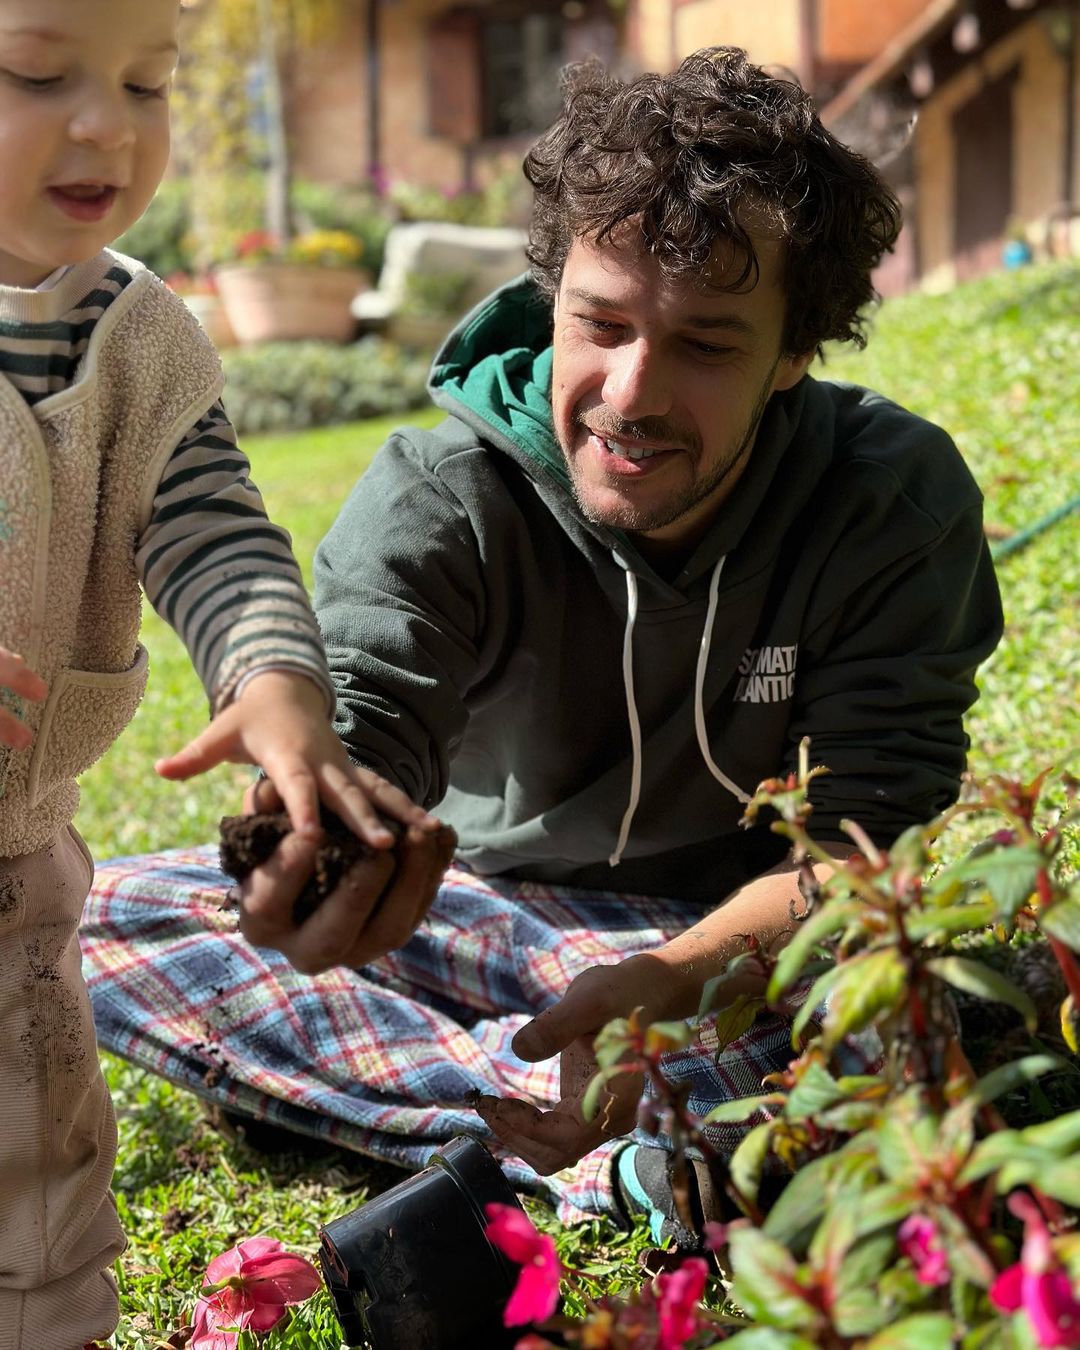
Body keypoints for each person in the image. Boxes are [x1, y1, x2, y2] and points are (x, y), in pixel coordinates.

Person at [81, 47, 1003, 1249]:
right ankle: (649, 1158)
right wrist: (322, 847)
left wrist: (677, 983)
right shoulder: (438, 497)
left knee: (906, 990)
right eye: (600, 324)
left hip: (737, 934)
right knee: (93, 917)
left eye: (708, 346)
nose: (631, 393)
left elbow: (863, 849)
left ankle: (473, 1115)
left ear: (795, 354)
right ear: (552, 298)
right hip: (476, 918)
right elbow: (364, 735)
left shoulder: (889, 499)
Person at [0, 1, 435, 1346]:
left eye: (149, 82)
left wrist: (271, 677)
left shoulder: (142, 336)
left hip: (13, 876)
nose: (104, 123)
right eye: (35, 73)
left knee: (37, 1191)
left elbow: (211, 527)